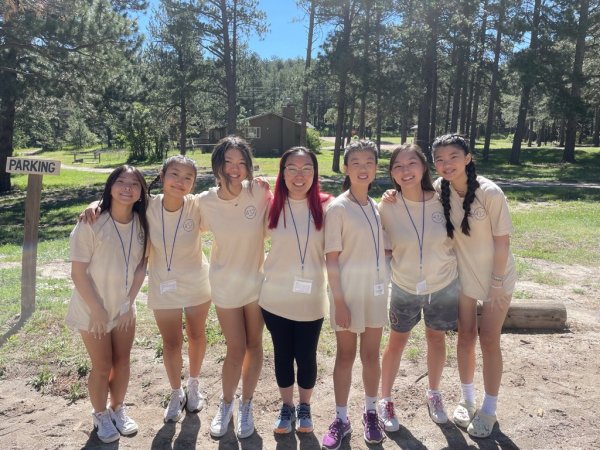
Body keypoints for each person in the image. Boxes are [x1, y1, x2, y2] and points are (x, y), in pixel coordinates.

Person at [81, 155, 212, 423]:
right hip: (163, 284)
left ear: (193, 183)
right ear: (162, 177)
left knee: (197, 335)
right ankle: (176, 392)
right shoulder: (147, 206)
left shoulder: (198, 205)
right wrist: (94, 205)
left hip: (197, 281)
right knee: (171, 342)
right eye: (174, 174)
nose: (180, 182)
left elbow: (225, 200)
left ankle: (194, 385)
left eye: (188, 178)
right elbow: (118, 202)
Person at [432, 133, 516, 438]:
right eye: (440, 159)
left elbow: (502, 242)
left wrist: (496, 283)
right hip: (463, 278)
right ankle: (467, 400)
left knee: (489, 339)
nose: (447, 164)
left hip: (497, 278)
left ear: (468, 158)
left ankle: (489, 409)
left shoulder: (490, 192)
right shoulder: (439, 188)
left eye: (454, 157)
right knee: (466, 337)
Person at [377, 144, 459, 431]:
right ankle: (385, 399)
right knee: (396, 342)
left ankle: (434, 393)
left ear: (424, 167)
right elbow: (384, 248)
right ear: (392, 173)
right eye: (398, 166)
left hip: (443, 285)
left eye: (412, 163)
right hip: (404, 287)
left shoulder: (444, 201)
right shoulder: (386, 206)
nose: (405, 171)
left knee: (436, 338)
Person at [67, 165, 149, 443]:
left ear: (141, 192)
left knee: (122, 361)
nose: (127, 188)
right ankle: (100, 414)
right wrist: (98, 310)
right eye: (121, 182)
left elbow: (141, 267)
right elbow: (78, 273)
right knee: (102, 365)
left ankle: (117, 408)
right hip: (93, 309)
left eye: (134, 184)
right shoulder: (91, 222)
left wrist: (129, 302)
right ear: (110, 186)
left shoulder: (142, 222)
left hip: (124, 308)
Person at [197, 136, 271, 439]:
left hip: (256, 282)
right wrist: (97, 204)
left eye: (241, 162)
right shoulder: (205, 201)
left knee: (255, 345)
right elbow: (169, 206)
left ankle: (246, 404)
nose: (235, 168)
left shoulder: (259, 192)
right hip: (225, 285)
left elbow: (296, 195)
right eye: (228, 161)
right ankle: (226, 402)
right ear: (218, 164)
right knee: (235, 348)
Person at [258, 147, 332, 434]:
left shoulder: (328, 206)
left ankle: (305, 407)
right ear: (282, 172)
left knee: (306, 355)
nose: (299, 175)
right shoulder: (270, 205)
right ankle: (287, 406)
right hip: (275, 298)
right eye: (292, 169)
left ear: (315, 173)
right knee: (282, 354)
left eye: (306, 169)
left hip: (311, 299)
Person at [322, 140, 388, 449]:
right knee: (346, 355)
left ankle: (371, 413)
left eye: (369, 162)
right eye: (356, 163)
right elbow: (331, 259)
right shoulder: (338, 208)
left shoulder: (374, 205)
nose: (363, 168)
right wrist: (339, 302)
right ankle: (340, 418)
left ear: (376, 168)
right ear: (346, 168)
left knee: (371, 355)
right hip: (346, 295)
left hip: (375, 293)